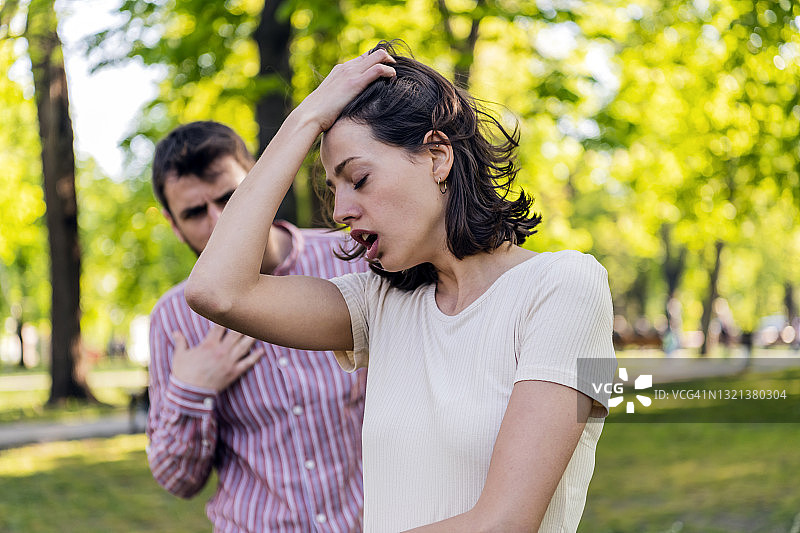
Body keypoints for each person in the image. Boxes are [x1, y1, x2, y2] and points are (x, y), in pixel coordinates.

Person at [186, 42, 617, 532]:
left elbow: (504, 523)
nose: (341, 210)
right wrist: (305, 119)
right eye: (334, 189)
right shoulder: (380, 303)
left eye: (359, 179)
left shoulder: (569, 287)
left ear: (437, 155)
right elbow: (217, 291)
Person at [146, 120, 369, 532]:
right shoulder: (174, 319)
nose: (218, 221)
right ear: (172, 224)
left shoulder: (350, 258)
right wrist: (192, 389)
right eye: (195, 212)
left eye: (230, 196)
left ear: (261, 179)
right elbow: (178, 480)